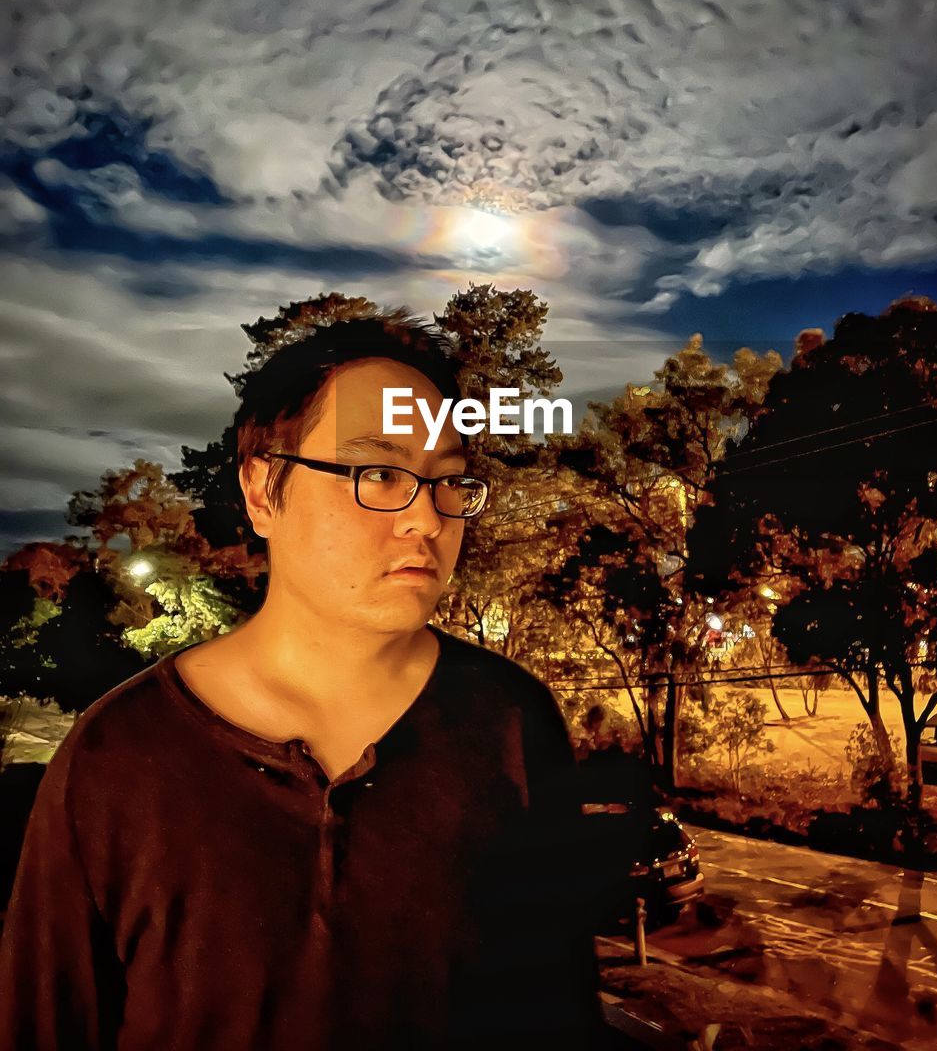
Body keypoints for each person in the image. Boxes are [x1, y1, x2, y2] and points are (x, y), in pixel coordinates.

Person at [0, 313, 609, 1050]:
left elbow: (561, 1012)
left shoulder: (513, 723)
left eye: (448, 481)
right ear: (262, 491)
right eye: (379, 474)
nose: (425, 518)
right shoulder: (113, 762)